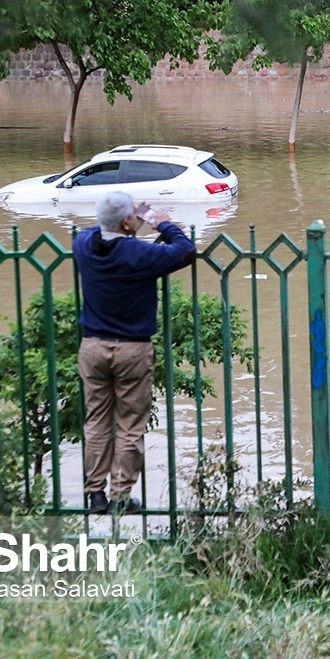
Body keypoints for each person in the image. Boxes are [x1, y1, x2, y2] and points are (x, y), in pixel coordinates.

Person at [73, 191, 195, 515]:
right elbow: (185, 250)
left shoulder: (82, 245)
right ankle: (120, 497)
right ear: (128, 223)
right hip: (131, 349)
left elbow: (96, 229)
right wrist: (160, 221)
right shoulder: (138, 253)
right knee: (130, 425)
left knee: (96, 421)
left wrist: (124, 220)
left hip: (93, 346)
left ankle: (95, 496)